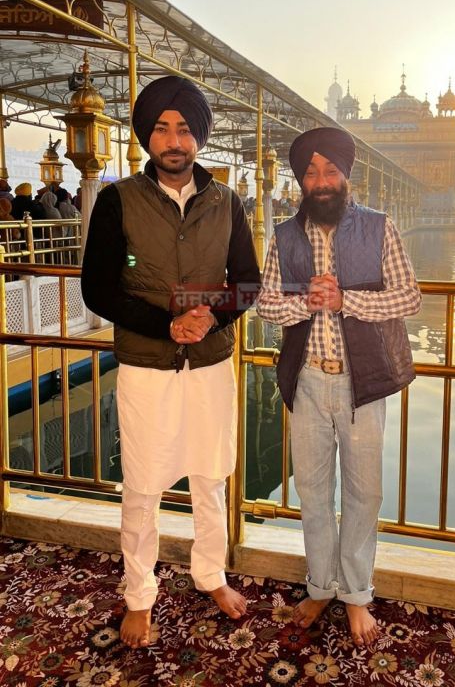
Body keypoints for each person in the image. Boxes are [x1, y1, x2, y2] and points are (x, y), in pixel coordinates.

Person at [81, 75, 260, 649]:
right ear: (146, 137)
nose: (174, 140)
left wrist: (211, 317)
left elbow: (248, 283)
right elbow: (97, 289)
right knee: (142, 484)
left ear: (199, 137)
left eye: (184, 128)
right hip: (146, 366)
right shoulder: (118, 200)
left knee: (209, 477)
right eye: (161, 128)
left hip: (208, 363)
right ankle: (139, 595)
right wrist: (166, 325)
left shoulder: (227, 202)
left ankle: (211, 575)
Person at [256, 127, 421, 646]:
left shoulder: (378, 227)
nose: (321, 181)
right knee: (311, 492)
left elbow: (409, 297)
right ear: (301, 181)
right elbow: (266, 305)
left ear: (346, 176)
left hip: (361, 382)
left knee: (364, 493)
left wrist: (346, 299)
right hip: (307, 380)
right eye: (310, 172)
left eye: (330, 170)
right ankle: (320, 586)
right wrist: (305, 303)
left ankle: (356, 593)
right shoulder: (284, 236)